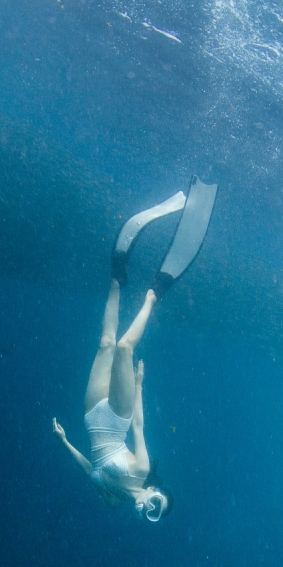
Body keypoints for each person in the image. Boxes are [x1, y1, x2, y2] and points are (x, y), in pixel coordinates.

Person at [52, 180, 217, 522]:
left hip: (89, 417)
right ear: (155, 492)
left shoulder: (112, 500)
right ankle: (152, 296)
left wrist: (65, 441)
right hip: (117, 418)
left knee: (106, 343)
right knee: (125, 348)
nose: (148, 508)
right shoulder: (141, 469)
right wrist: (139, 385)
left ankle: (117, 278)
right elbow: (139, 426)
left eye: (152, 515)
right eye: (156, 504)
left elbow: (89, 468)